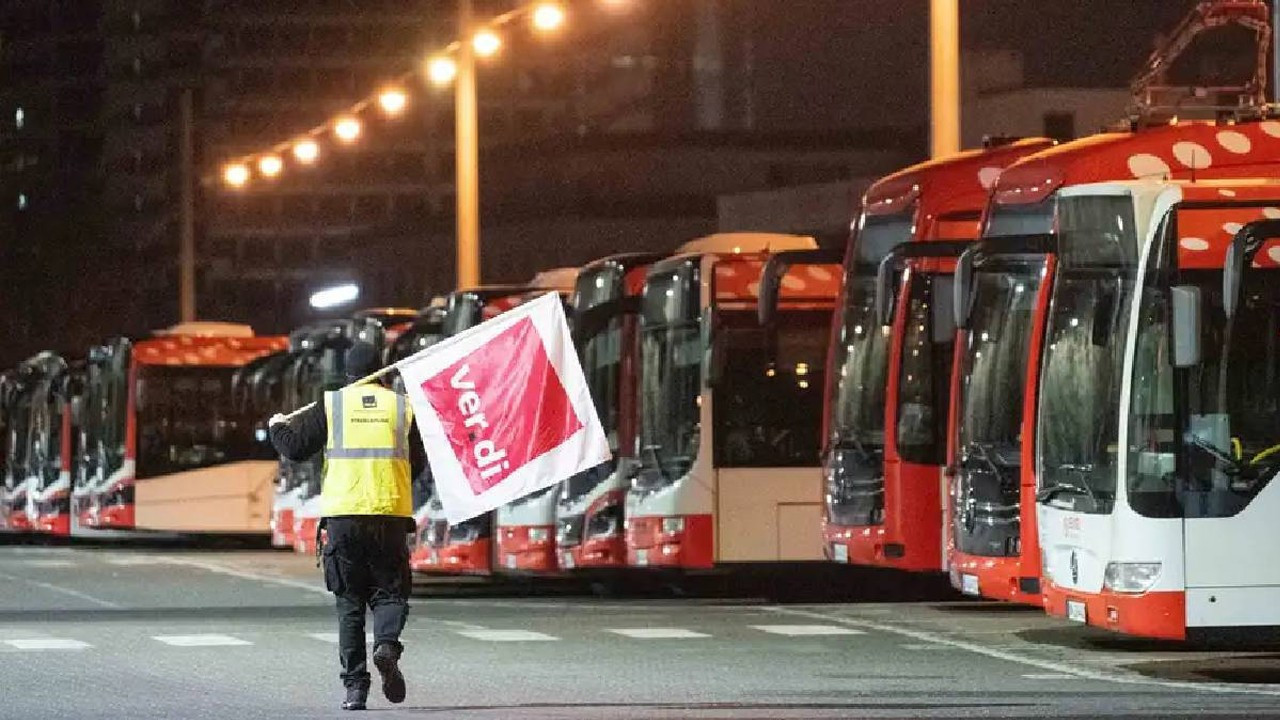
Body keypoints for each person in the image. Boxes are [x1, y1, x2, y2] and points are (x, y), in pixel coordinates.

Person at [268, 341, 426, 711]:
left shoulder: (332, 405)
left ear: (348, 373)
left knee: (350, 604)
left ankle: (355, 688)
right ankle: (386, 645)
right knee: (390, 592)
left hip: (344, 518)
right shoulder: (403, 408)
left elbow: (294, 447)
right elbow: (416, 463)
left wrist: (276, 426)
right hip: (389, 515)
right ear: (382, 371)